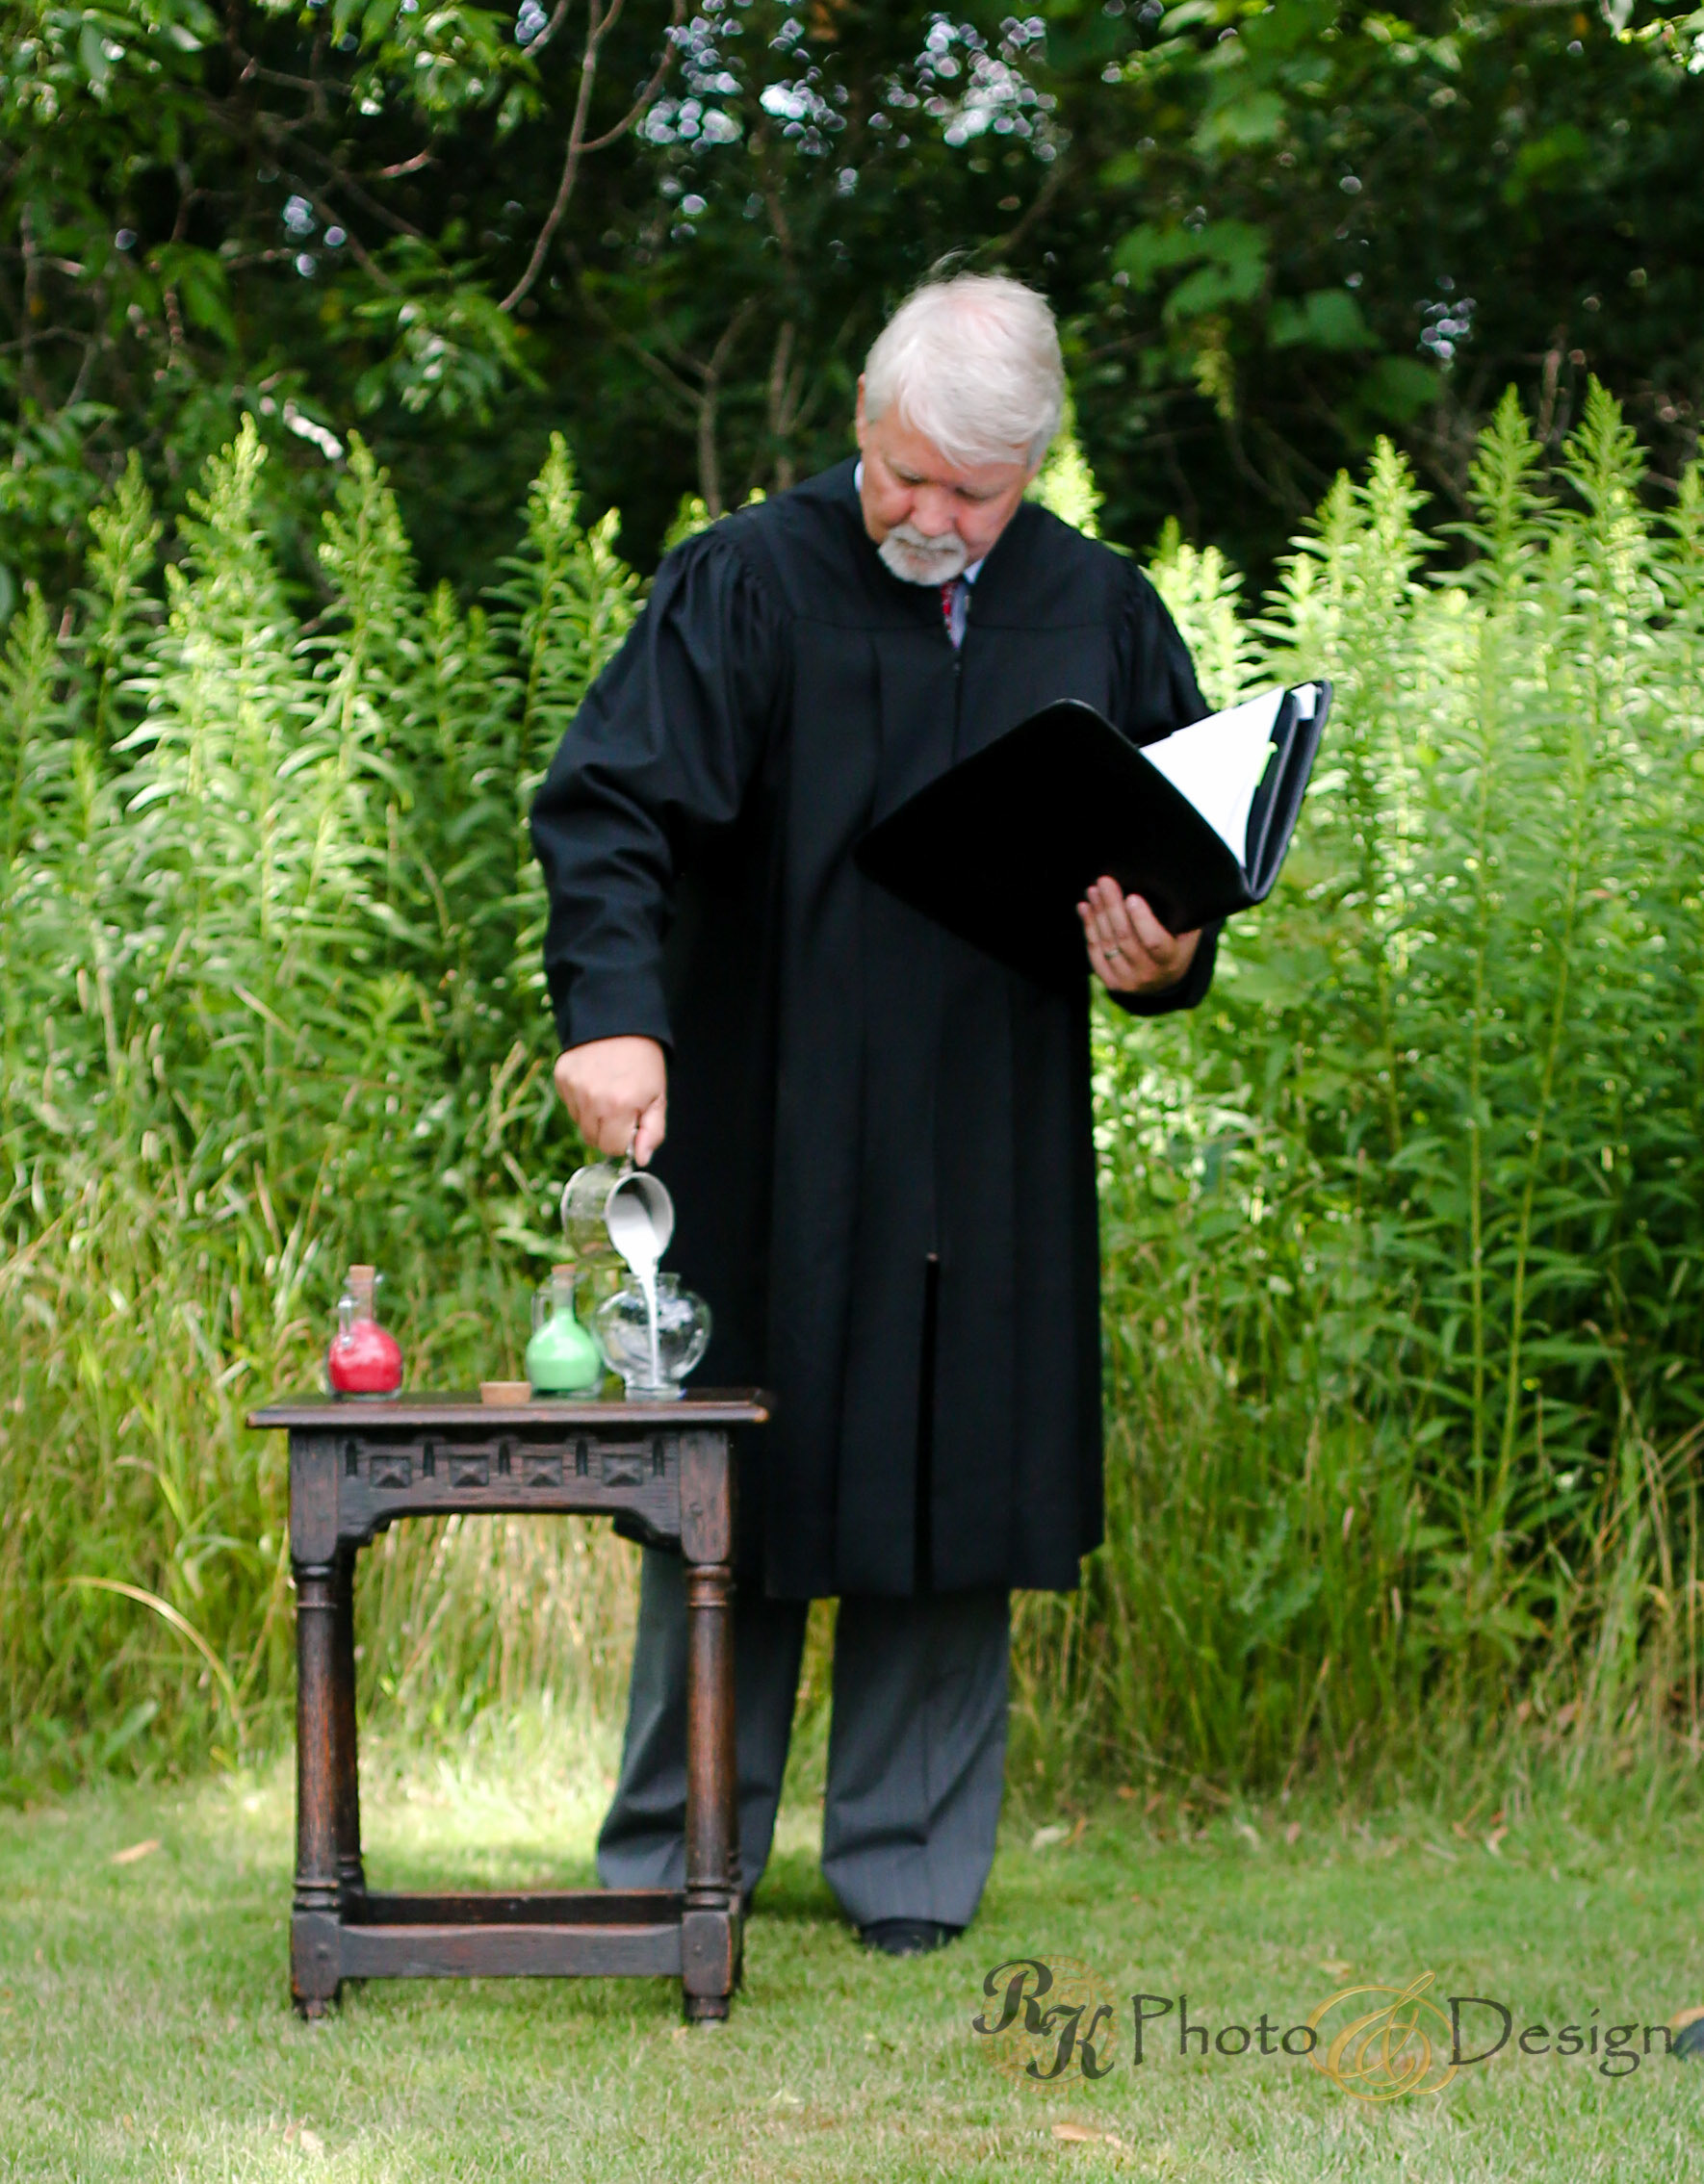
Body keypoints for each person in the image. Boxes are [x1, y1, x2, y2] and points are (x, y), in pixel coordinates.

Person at [529, 271, 1216, 1957]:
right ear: (861, 422)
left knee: (957, 1465)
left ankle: (909, 1868)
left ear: (1032, 466)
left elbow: (1183, 855)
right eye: (906, 474)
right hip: (769, 1104)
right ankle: (680, 1854)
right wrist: (612, 1012)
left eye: (972, 493)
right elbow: (607, 803)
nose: (930, 518)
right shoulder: (748, 583)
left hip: (989, 1124)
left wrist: (1169, 952)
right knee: (738, 1470)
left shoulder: (1098, 611)